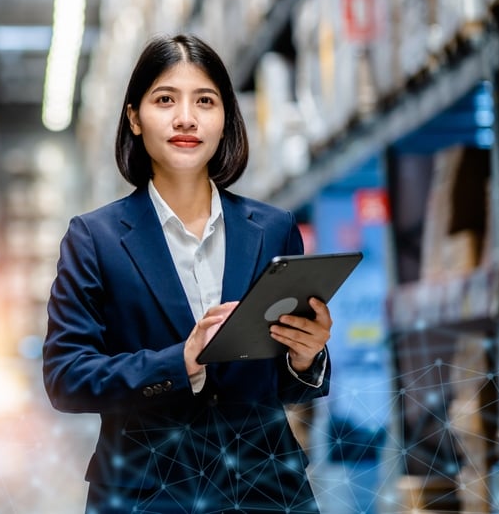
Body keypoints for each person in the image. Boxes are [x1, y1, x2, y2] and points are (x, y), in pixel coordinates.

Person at [42, 34, 333, 513]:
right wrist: (181, 362)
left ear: (225, 120)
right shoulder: (94, 239)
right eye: (164, 100)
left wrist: (306, 357)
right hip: (145, 494)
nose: (186, 118)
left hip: (265, 492)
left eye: (205, 101)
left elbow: (281, 387)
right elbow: (66, 378)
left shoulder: (273, 230)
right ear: (134, 118)